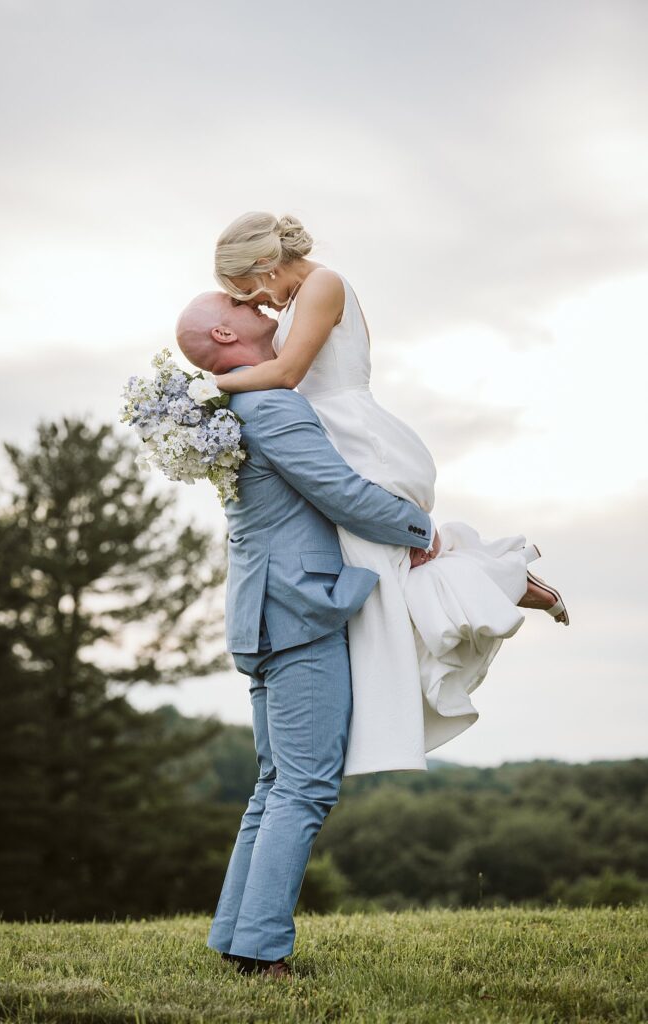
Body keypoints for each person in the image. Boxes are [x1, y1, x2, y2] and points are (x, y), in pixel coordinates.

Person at [211, 211, 569, 776]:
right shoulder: (302, 294)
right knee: (382, 581)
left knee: (386, 575)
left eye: (251, 289)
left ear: (264, 262)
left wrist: (208, 389)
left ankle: (502, 578)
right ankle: (488, 579)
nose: (260, 304)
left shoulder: (324, 284)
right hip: (329, 439)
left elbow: (287, 372)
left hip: (357, 440)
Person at [175, 289, 435, 976]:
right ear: (224, 335)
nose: (256, 301)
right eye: (235, 301)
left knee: (275, 782)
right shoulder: (270, 404)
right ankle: (262, 954)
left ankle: (237, 938)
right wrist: (421, 529)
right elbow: (337, 490)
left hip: (260, 613)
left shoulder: (231, 407)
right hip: (298, 614)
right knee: (305, 787)